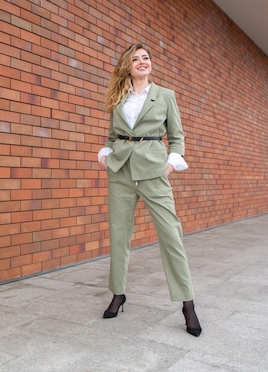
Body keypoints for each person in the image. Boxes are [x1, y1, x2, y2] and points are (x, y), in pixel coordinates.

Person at [97, 42, 202, 337]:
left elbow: (177, 137)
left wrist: (169, 165)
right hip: (120, 171)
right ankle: (118, 293)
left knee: (171, 234)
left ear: (151, 64)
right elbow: (112, 135)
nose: (142, 62)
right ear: (127, 65)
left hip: (154, 171)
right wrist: (104, 154)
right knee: (119, 235)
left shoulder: (165, 96)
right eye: (135, 59)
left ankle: (188, 304)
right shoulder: (118, 97)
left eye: (146, 58)